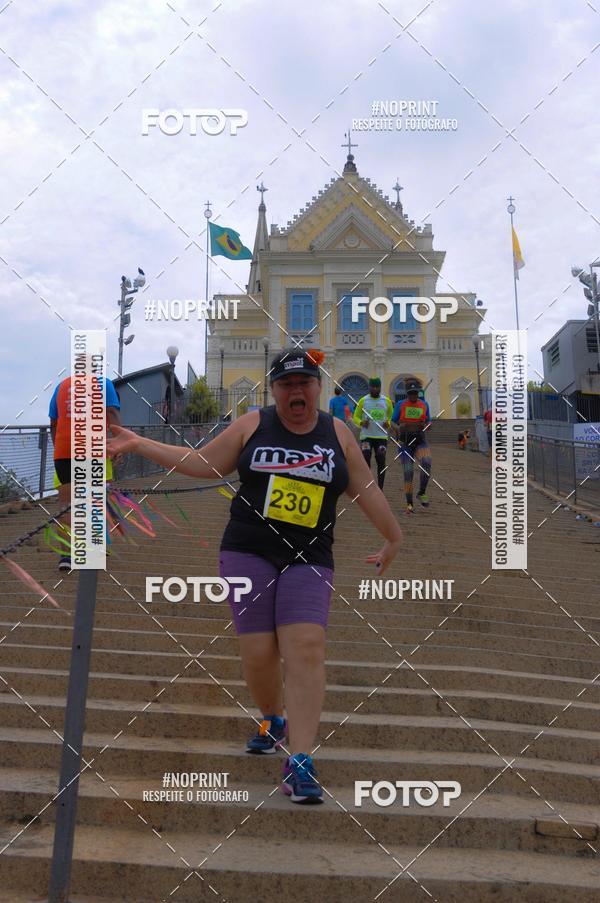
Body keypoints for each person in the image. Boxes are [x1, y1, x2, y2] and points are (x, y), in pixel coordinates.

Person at [107, 348, 402, 805]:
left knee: (305, 646)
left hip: (310, 554)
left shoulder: (337, 432)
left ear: (318, 387)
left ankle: (300, 759)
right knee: (259, 652)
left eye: (304, 382)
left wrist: (393, 537)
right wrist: (139, 443)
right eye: (286, 385)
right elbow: (203, 463)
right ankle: (273, 718)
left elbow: (364, 487)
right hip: (247, 549)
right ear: (275, 391)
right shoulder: (252, 424)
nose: (296, 391)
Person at [49, 371, 121, 570]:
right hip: (93, 450)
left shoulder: (61, 386)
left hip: (64, 452)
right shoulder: (103, 383)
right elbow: (112, 414)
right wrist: (118, 445)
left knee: (66, 505)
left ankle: (66, 556)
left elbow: (53, 424)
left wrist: (59, 449)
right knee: (95, 501)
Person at [390, 380, 432, 515]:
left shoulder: (424, 405)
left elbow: (428, 422)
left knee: (426, 462)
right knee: (408, 472)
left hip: (420, 440)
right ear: (406, 394)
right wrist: (399, 427)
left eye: (415, 393)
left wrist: (426, 425)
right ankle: (409, 503)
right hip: (405, 443)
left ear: (418, 393)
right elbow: (392, 422)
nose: (413, 396)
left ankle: (422, 492)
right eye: (410, 394)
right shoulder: (400, 405)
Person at [352, 377, 393, 490]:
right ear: (369, 387)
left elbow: (391, 416)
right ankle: (367, 485)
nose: (375, 389)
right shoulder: (363, 400)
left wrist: (388, 423)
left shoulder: (387, 401)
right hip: (366, 437)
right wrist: (361, 422)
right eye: (373, 387)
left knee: (381, 459)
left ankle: (380, 488)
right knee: (366, 458)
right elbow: (355, 416)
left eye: (377, 387)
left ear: (380, 387)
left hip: (381, 437)